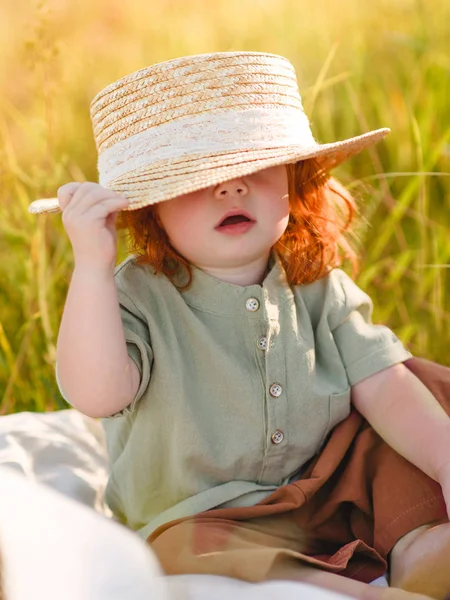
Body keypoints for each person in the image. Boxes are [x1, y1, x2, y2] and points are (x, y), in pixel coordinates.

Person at [29, 51, 450, 599]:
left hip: (329, 484)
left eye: (255, 166)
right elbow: (97, 394)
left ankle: (420, 547)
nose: (231, 188)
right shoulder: (136, 295)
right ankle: (341, 589)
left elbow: (384, 386)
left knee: (414, 397)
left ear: (293, 179)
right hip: (205, 513)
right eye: (198, 178)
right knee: (174, 550)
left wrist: (444, 461)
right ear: (149, 209)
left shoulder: (316, 283)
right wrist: (92, 268)